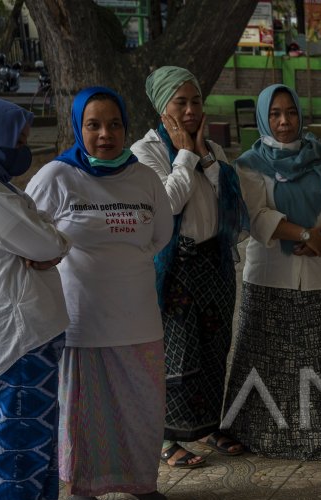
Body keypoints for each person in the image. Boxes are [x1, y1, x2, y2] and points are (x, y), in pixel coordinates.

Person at [27, 87, 172, 500]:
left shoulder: (143, 176)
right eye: (93, 125)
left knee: (143, 406)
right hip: (82, 317)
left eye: (114, 124)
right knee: (85, 411)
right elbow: (28, 233)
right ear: (78, 127)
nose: (105, 134)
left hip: (139, 314)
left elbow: (161, 234)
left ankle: (140, 480)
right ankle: (83, 488)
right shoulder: (57, 176)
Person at [228, 84, 321, 460]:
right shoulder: (248, 163)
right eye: (276, 114)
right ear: (265, 117)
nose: (284, 121)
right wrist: (305, 233)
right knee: (269, 357)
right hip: (270, 276)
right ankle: (264, 432)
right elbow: (255, 213)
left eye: (290, 113)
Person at [132, 66, 250, 470]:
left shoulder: (211, 149)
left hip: (213, 263)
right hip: (175, 267)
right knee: (177, 353)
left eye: (195, 101)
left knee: (216, 348)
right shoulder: (146, 152)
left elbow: (230, 204)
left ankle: (208, 425)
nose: (190, 110)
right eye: (179, 103)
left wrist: (204, 157)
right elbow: (165, 206)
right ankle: (168, 438)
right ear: (161, 108)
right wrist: (184, 154)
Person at [0, 98, 76, 500]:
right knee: (13, 436)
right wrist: (51, 243)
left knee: (36, 433)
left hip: (32, 333)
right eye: (14, 141)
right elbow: (45, 240)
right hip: (11, 336)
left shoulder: (0, 188)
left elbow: (47, 236)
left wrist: (50, 242)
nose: (23, 149)